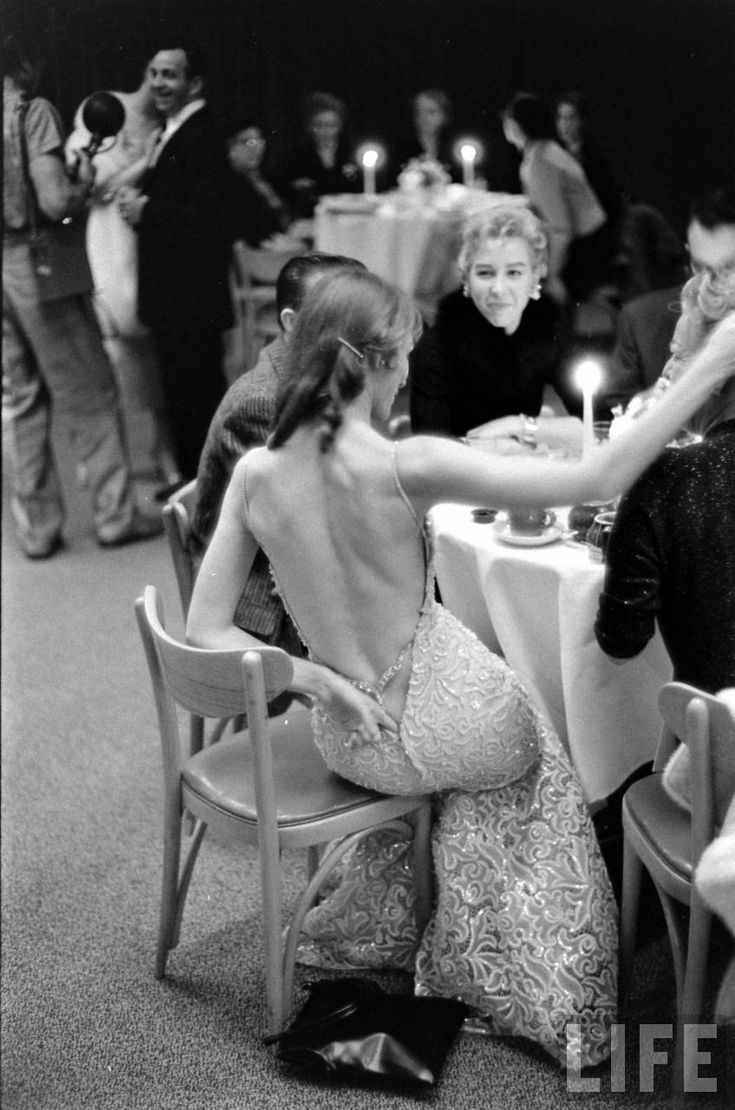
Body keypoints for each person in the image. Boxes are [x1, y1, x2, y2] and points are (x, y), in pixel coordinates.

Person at [186, 266, 734, 1067]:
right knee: (541, 764)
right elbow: (596, 477)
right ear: (371, 362)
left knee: (459, 774)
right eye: (403, 355)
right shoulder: (406, 466)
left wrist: (310, 678)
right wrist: (709, 367)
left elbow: (205, 625)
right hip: (446, 720)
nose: (408, 370)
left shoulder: (254, 476)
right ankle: (496, 977)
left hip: (351, 737)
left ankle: (424, 919)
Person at [2, 33, 162, 557]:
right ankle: (115, 516)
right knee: (90, 392)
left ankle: (37, 530)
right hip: (36, 262)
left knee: (20, 399)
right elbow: (54, 202)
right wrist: (80, 185)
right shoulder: (31, 110)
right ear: (24, 63)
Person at [191, 252, 365, 653]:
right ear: (291, 324)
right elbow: (299, 535)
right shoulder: (265, 403)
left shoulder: (320, 370)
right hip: (257, 600)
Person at [595, 307, 735, 693]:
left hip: (714, 745)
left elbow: (620, 643)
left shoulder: (668, 478)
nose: (665, 370)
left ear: (719, 371)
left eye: (676, 353)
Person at [117, 38, 234, 486]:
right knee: (184, 393)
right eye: (154, 73)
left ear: (194, 83)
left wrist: (149, 211)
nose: (159, 83)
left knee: (196, 392)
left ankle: (207, 486)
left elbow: (210, 216)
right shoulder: (171, 131)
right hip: (177, 292)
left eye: (171, 74)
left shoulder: (202, 133)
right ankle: (195, 480)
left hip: (190, 294)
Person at [65, 75, 180, 494]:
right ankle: (104, 463)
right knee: (113, 353)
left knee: (149, 356)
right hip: (105, 247)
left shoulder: (145, 140)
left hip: (135, 244)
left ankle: (165, 456)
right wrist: (144, 162)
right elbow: (96, 188)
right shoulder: (82, 147)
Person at [409, 200, 583, 452]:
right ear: (465, 277)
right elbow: (430, 450)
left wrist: (517, 426)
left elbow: (598, 421)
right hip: (460, 483)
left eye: (514, 273)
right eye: (485, 273)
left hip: (527, 472)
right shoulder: (438, 346)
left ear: (536, 276)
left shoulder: (548, 330)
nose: (498, 289)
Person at [611, 186, 735, 433]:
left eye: (729, 269)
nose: (709, 285)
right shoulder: (646, 319)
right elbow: (613, 420)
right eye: (701, 268)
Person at [502, 92, 613, 308]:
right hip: (585, 243)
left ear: (516, 125)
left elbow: (561, 229)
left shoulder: (542, 160)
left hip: (584, 253)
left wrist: (554, 277)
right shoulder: (541, 151)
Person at [272, 92, 359, 220]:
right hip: (312, 218)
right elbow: (282, 187)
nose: (325, 132)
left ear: (340, 126)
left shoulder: (352, 152)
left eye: (331, 125)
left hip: (350, 217)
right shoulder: (296, 155)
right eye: (319, 125)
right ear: (309, 127)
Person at [554, 89, 623, 228]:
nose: (564, 124)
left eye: (571, 118)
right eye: (561, 118)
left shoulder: (597, 159)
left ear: (584, 120)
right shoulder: (556, 155)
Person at [225, 116, 291, 248]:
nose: (257, 148)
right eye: (249, 142)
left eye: (259, 140)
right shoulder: (230, 186)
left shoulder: (264, 177)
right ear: (230, 150)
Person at [391, 89, 460, 185]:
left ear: (444, 116)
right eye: (419, 112)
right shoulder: (401, 151)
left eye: (431, 112)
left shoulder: (455, 151)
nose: (424, 118)